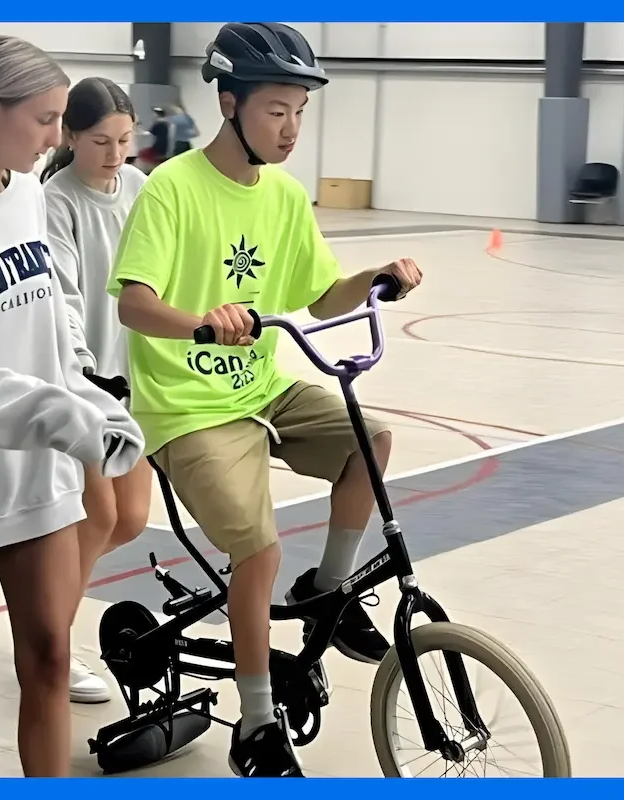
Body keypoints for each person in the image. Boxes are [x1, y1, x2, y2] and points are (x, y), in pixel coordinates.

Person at [107, 22, 422, 778]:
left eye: (299, 114)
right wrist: (201, 326)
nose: (291, 129)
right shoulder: (172, 190)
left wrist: (377, 277)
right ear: (229, 101)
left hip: (264, 387)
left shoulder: (283, 196)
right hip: (187, 405)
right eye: (277, 111)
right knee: (258, 546)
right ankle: (255, 722)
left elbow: (319, 298)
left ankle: (330, 593)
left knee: (369, 440)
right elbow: (133, 305)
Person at [0, 35, 145, 778]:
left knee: (48, 660)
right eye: (47, 120)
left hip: (38, 475)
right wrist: (62, 414)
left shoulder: (25, 196)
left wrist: (92, 398)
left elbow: (53, 324)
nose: (57, 137)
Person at [40, 77, 152, 705]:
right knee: (99, 514)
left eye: (125, 141)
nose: (114, 154)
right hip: (85, 386)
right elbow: (63, 295)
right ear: (71, 137)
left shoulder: (138, 188)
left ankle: (42, 604)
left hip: (135, 382)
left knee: (130, 519)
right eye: (100, 141)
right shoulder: (55, 200)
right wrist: (85, 372)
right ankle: (51, 643)